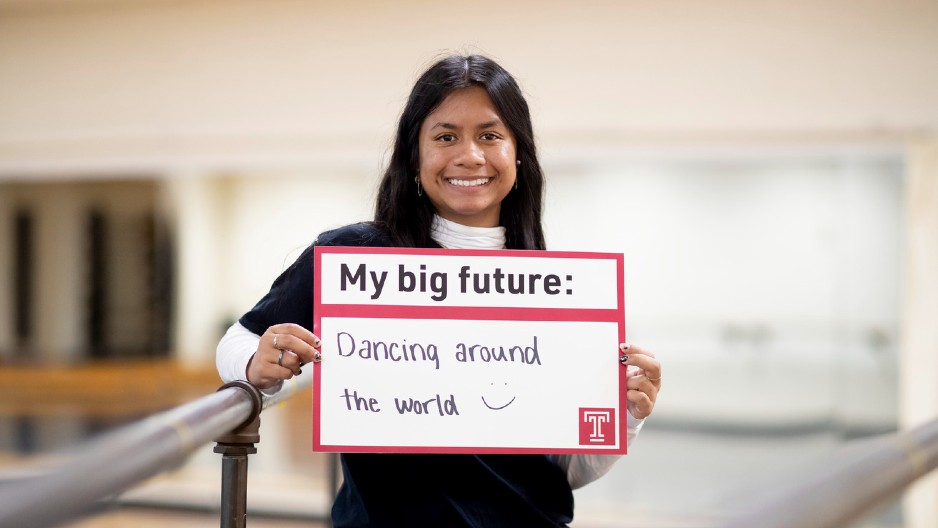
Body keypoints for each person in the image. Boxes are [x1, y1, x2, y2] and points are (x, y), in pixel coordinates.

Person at [216, 54, 662, 528]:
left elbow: (564, 472)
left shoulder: (553, 288)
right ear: (415, 154)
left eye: (490, 136)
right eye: (446, 136)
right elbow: (238, 341)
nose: (469, 155)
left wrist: (627, 415)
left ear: (518, 153)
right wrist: (257, 366)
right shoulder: (355, 255)